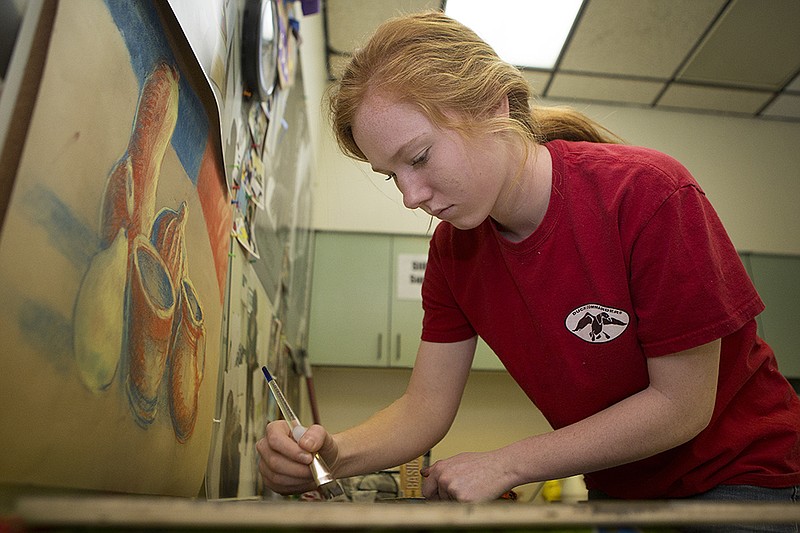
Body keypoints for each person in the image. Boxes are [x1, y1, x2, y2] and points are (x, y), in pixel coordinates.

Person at [256, 10, 800, 516]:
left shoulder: (647, 194)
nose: (410, 195)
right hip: (620, 490)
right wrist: (328, 454)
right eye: (391, 175)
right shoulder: (453, 252)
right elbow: (425, 409)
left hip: (749, 481)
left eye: (419, 158)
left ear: (495, 106)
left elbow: (681, 405)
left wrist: (509, 462)